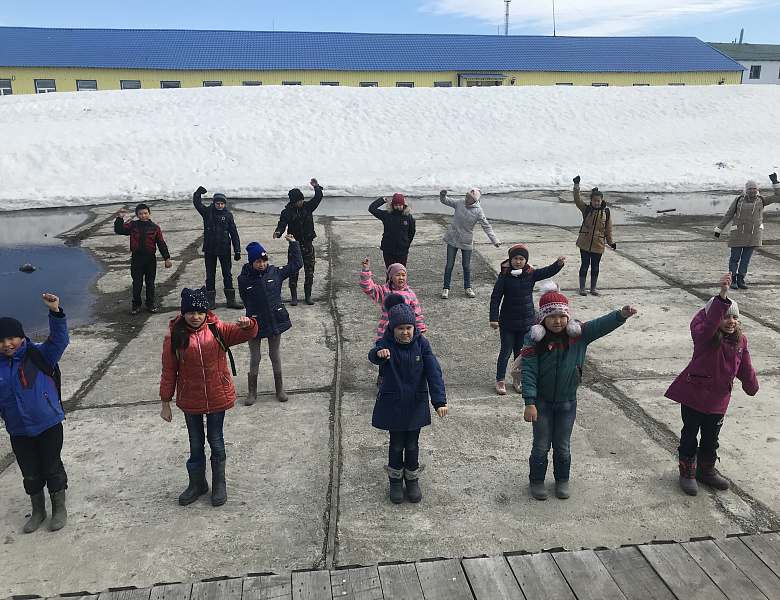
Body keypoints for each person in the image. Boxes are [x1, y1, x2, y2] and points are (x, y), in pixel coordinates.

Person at [521, 281, 637, 501]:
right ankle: (536, 481)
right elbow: (528, 372)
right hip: (542, 403)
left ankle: (562, 480)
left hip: (567, 402)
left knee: (563, 446)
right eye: (552, 316)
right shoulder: (534, 340)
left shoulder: (578, 335)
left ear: (568, 317)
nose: (558, 321)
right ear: (543, 318)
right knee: (541, 445)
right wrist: (530, 402)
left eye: (562, 316)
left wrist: (619, 315)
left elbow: (600, 325)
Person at [159, 287, 258, 507]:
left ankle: (219, 484)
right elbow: (168, 371)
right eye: (190, 313)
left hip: (216, 395)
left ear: (206, 312)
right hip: (190, 398)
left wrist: (248, 324)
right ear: (183, 313)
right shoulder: (174, 336)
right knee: (195, 443)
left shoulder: (218, 330)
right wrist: (165, 402)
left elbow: (248, 333)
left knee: (216, 440)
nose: (195, 317)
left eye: (200, 312)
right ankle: (197, 484)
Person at [664, 273, 758, 496]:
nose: (730, 322)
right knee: (689, 435)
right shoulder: (704, 337)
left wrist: (751, 386)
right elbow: (707, 325)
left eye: (734, 318)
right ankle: (687, 472)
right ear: (715, 318)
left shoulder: (740, 341)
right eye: (725, 317)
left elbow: (744, 366)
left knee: (711, 439)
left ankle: (706, 469)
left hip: (718, 400)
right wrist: (722, 296)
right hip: (694, 396)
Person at [368, 293, 448, 504]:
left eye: (408, 328)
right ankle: (395, 481)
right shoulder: (386, 344)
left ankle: (412, 479)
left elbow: (434, 373)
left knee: (412, 445)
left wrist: (439, 401)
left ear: (414, 328)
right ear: (392, 329)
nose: (405, 332)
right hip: (393, 405)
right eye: (400, 328)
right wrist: (379, 354)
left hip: (416, 404)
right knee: (396, 445)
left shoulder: (422, 345)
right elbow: (373, 354)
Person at [0, 294, 70, 532]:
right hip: (18, 430)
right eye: (0, 341)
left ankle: (59, 508)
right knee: (29, 472)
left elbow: (59, 340)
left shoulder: (39, 355)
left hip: (48, 424)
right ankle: (38, 510)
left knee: (52, 467)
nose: (7, 344)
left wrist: (55, 312)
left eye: (11, 338)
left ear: (22, 337)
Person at [490, 245, 565, 395]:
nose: (518, 261)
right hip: (508, 322)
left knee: (520, 352)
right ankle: (500, 379)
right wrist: (494, 318)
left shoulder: (530, 274)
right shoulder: (504, 276)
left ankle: (517, 379)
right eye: (515, 259)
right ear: (510, 260)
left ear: (526, 260)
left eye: (521, 259)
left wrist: (558, 264)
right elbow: (495, 298)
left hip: (526, 322)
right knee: (505, 351)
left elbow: (546, 272)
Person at [238, 236, 302, 404]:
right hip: (254, 323)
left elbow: (297, 265)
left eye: (264, 260)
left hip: (274, 321)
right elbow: (245, 299)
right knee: (255, 357)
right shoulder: (243, 279)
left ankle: (279, 389)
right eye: (258, 261)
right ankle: (252, 392)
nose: (262, 264)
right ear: (251, 262)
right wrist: (252, 316)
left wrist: (294, 244)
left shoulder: (275, 272)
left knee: (275, 355)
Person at [360, 258, 427, 390]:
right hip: (386, 332)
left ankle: (400, 380)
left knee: (401, 357)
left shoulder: (411, 294)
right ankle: (383, 380)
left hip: (405, 334)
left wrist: (421, 331)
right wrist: (366, 271)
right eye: (397, 275)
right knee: (385, 356)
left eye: (403, 274)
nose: (401, 277)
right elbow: (368, 288)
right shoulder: (384, 291)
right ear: (390, 277)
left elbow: (417, 315)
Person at [714, 174, 780, 290]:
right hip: (738, 234)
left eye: (754, 188)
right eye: (750, 188)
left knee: (745, 260)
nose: (752, 191)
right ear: (746, 190)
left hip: (754, 235)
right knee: (734, 258)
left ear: (757, 190)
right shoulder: (739, 200)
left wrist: (775, 183)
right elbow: (729, 215)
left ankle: (741, 279)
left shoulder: (762, 200)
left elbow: (778, 196)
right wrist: (719, 229)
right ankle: (732, 279)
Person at [440, 187, 500, 298]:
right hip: (452, 238)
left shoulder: (478, 211)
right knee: (449, 265)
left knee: (466, 266)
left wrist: (495, 240)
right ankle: (446, 288)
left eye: (469, 197)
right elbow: (445, 201)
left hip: (466, 241)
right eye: (466, 196)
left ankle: (467, 288)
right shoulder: (460, 203)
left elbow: (486, 226)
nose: (466, 199)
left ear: (475, 200)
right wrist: (442, 195)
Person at [114, 203, 172, 314]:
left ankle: (150, 304)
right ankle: (136, 304)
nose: (143, 216)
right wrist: (120, 218)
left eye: (145, 213)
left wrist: (167, 258)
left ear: (149, 214)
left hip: (150, 260)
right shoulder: (133, 226)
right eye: (140, 214)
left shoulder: (155, 228)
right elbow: (119, 230)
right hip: (137, 259)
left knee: (150, 283)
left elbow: (161, 243)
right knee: (137, 283)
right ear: (137, 215)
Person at [273, 178, 323, 306]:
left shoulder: (307, 207)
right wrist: (278, 232)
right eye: (299, 201)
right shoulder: (287, 212)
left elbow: (318, 197)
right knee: (293, 270)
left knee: (309, 269)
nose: (301, 202)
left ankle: (308, 295)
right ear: (293, 201)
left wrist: (316, 187)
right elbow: (282, 224)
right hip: (295, 246)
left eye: (302, 200)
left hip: (308, 244)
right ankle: (293, 296)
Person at [192, 186, 243, 310]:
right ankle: (210, 302)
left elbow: (234, 233)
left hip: (224, 249)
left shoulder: (228, 215)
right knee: (210, 275)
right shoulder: (207, 213)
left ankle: (231, 300)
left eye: (222, 204)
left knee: (227, 274)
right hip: (210, 249)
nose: (220, 206)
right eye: (217, 203)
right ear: (213, 203)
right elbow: (197, 204)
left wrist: (237, 249)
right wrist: (197, 194)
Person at [572, 175, 615, 297]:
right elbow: (577, 200)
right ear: (591, 201)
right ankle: (582, 288)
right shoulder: (586, 209)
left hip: (599, 243)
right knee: (584, 265)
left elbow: (609, 228)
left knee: (595, 266)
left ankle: (593, 288)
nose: (596, 203)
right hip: (584, 243)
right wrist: (576, 186)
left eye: (598, 201)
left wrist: (611, 242)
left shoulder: (606, 212)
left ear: (601, 201)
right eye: (594, 201)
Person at [368, 193, 416, 270]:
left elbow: (411, 232)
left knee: (401, 271)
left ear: (403, 205)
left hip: (402, 249)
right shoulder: (386, 215)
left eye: (400, 205)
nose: (398, 207)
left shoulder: (408, 218)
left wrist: (406, 243)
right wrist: (381, 201)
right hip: (388, 248)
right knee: (390, 270)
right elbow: (372, 209)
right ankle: (389, 282)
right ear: (392, 205)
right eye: (396, 205)